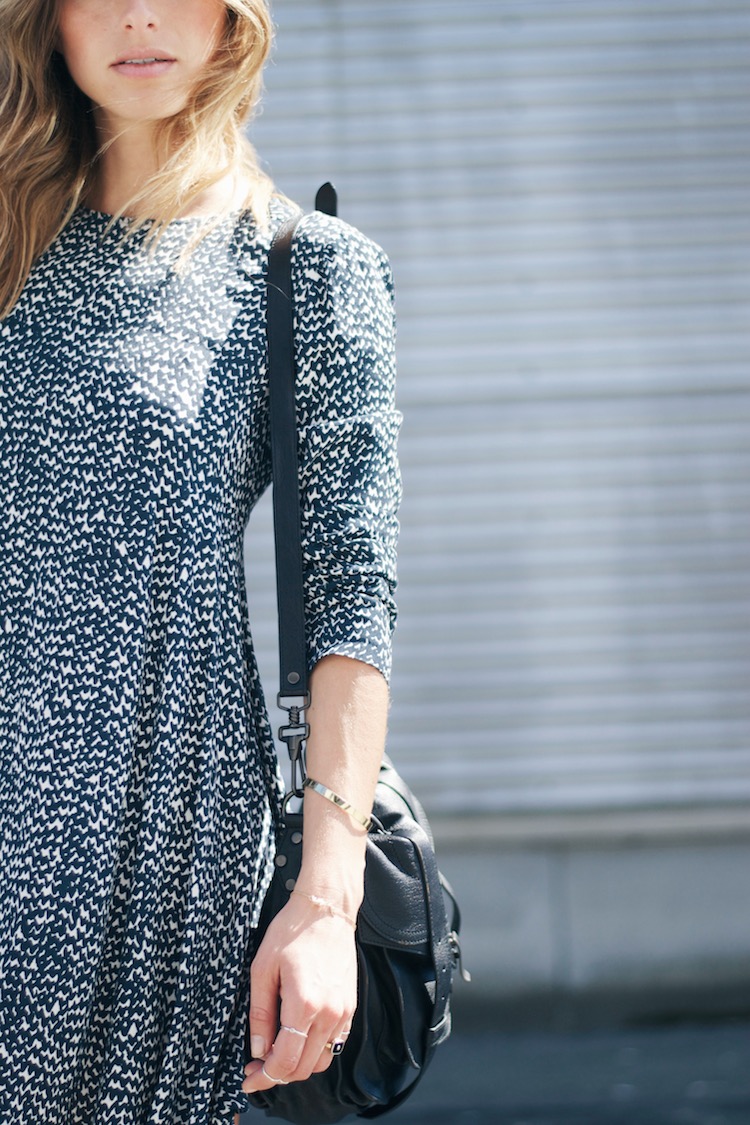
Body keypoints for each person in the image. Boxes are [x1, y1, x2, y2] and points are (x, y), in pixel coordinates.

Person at [0, 2, 401, 1122]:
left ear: (232, 20)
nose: (139, 15)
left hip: (161, 845)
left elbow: (349, 602)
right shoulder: (6, 243)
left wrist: (326, 903)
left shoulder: (303, 271)